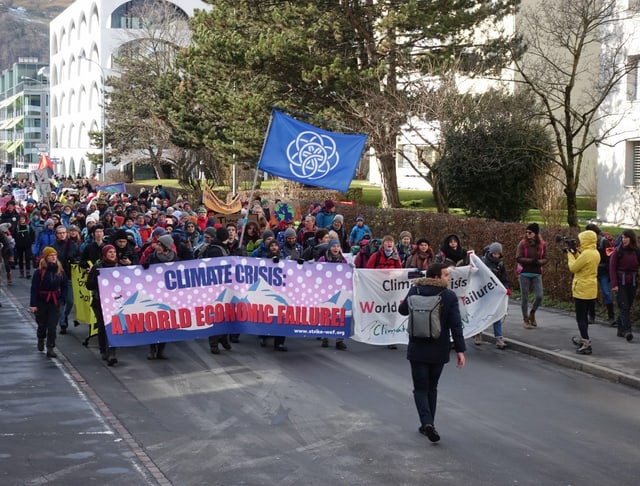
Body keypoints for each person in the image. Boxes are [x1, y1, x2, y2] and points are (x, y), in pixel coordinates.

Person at [398, 262, 466, 443]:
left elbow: (402, 310)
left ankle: (426, 423)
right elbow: (456, 325)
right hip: (439, 347)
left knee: (420, 388)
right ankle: (430, 424)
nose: (449, 279)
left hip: (417, 347)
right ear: (436, 276)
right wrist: (460, 349)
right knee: (432, 387)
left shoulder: (415, 290)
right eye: (446, 275)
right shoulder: (449, 296)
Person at [29, 247, 68, 358]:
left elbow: (64, 285)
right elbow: (34, 288)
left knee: (52, 326)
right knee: (42, 324)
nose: (53, 257)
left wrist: (63, 298)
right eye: (51, 255)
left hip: (54, 301)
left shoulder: (60, 270)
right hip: (42, 301)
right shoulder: (39, 272)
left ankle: (50, 347)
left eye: (55, 255)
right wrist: (33, 304)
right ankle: (41, 338)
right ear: (46, 257)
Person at [567, 230, 600, 355]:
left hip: (582, 289)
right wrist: (576, 254)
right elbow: (583, 265)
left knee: (580, 318)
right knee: (585, 316)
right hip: (591, 289)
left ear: (586, 241)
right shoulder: (594, 253)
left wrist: (570, 255)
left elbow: (574, 268)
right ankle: (583, 337)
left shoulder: (586, 254)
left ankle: (586, 342)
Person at [86, 245, 119, 366]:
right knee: (102, 326)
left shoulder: (119, 267)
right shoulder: (97, 267)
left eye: (114, 252)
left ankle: (112, 353)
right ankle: (104, 350)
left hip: (115, 301)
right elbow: (89, 285)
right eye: (110, 252)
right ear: (105, 254)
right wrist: (96, 277)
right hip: (99, 301)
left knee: (113, 326)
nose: (112, 254)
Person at [475, 242, 510, 349]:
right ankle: (478, 333)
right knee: (481, 313)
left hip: (495, 293)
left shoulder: (501, 264)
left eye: (498, 254)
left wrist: (506, 287)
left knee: (497, 315)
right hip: (484, 292)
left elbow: (504, 278)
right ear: (491, 253)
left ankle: (499, 338)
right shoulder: (483, 263)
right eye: (494, 254)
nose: (496, 256)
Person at [609, 229, 640, 342]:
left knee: (627, 306)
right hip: (620, 282)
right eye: (622, 237)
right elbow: (612, 268)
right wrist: (614, 284)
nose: (624, 240)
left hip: (632, 282)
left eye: (626, 237)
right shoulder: (618, 251)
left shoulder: (637, 251)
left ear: (631, 239)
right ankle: (628, 331)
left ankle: (620, 329)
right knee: (624, 306)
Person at [317, 240, 348, 350]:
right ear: (329, 248)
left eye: (338, 246)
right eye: (333, 246)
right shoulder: (323, 259)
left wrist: (352, 268)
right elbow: (316, 271)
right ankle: (325, 337)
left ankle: (339, 340)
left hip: (339, 291)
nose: (336, 248)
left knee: (340, 314)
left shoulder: (343, 260)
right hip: (326, 290)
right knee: (326, 313)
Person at [516, 223, 547, 329]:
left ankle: (532, 313)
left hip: (536, 273)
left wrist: (539, 262)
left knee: (539, 295)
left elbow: (546, 258)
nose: (527, 234)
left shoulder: (542, 244)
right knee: (525, 297)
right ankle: (525, 319)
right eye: (527, 232)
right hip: (524, 273)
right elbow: (518, 257)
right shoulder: (523, 243)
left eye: (530, 232)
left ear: (536, 233)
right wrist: (530, 261)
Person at [585, 223, 616, 325]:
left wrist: (609, 272)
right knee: (591, 293)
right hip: (593, 271)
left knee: (606, 293)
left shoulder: (604, 242)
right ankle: (591, 316)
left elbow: (610, 257)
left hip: (603, 271)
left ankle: (611, 317)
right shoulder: (588, 243)